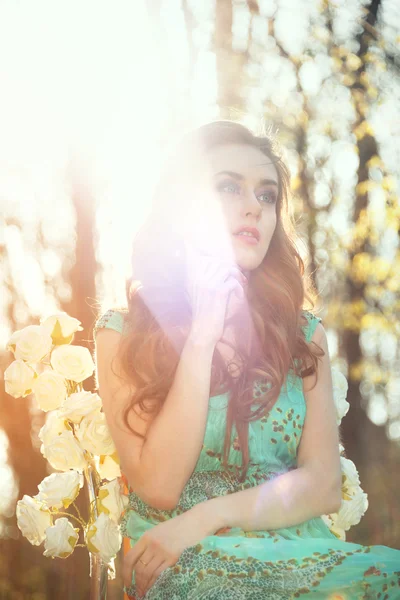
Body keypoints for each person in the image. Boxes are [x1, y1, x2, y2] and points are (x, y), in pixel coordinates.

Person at [93, 120, 400, 599]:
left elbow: (322, 485)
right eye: (228, 187)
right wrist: (202, 336)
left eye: (267, 195)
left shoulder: (303, 335)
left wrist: (210, 515)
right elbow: (159, 485)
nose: (253, 208)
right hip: (178, 558)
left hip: (299, 551)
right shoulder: (126, 333)